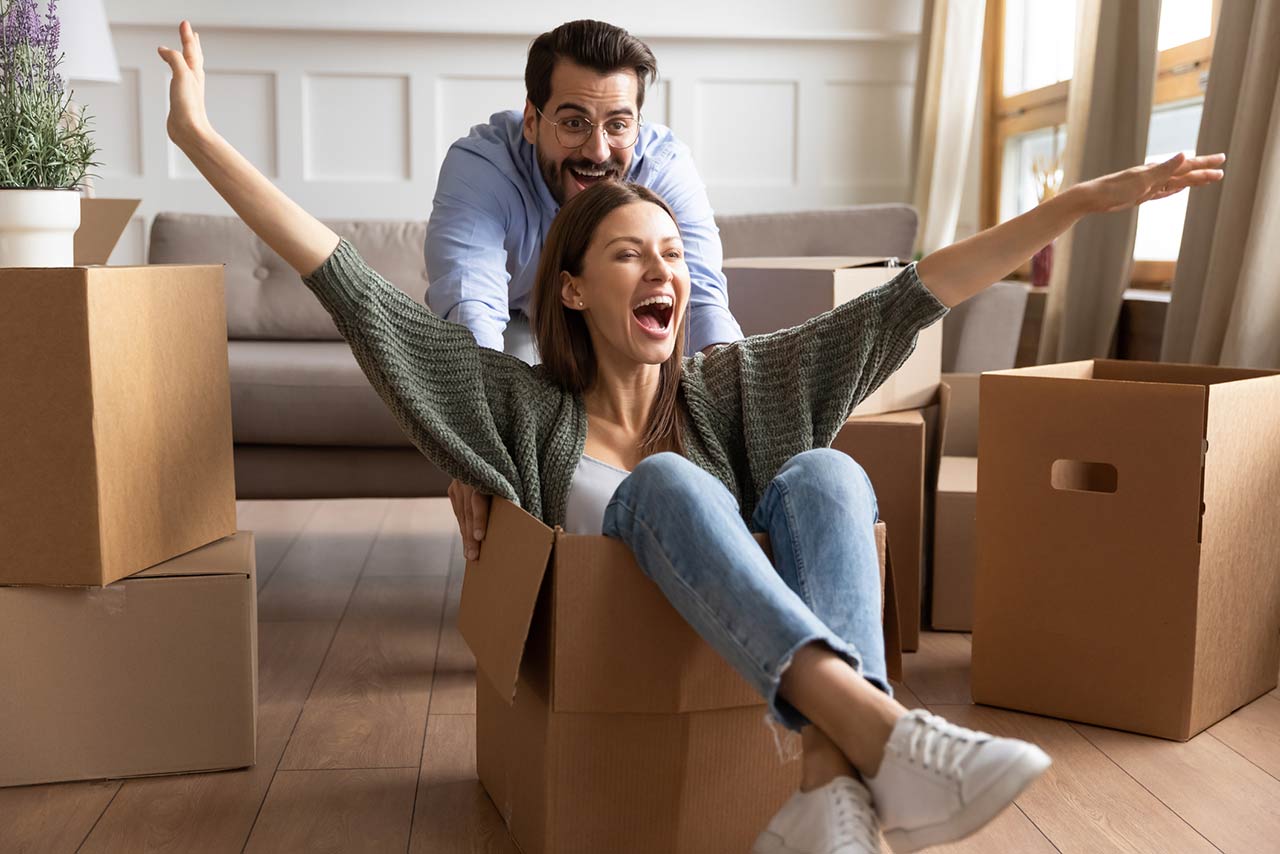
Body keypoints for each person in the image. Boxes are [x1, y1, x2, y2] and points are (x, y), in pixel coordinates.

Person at [159, 21, 1225, 854]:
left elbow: (915, 293)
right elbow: (344, 282)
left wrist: (1082, 202)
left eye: (671, 252)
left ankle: (825, 781)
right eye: (629, 255)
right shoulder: (519, 411)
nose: (663, 271)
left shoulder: (729, 390)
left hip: (716, 616)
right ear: (570, 290)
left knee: (824, 470)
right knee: (663, 487)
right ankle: (883, 734)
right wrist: (199, 138)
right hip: (604, 638)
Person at [426, 20, 743, 557]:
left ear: (638, 124)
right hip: (516, 316)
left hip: (603, 313)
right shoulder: (480, 167)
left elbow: (705, 304)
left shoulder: (665, 167)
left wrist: (737, 426)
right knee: (520, 414)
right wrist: (474, 450)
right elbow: (470, 308)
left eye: (618, 125)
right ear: (532, 120)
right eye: (573, 123)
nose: (597, 151)